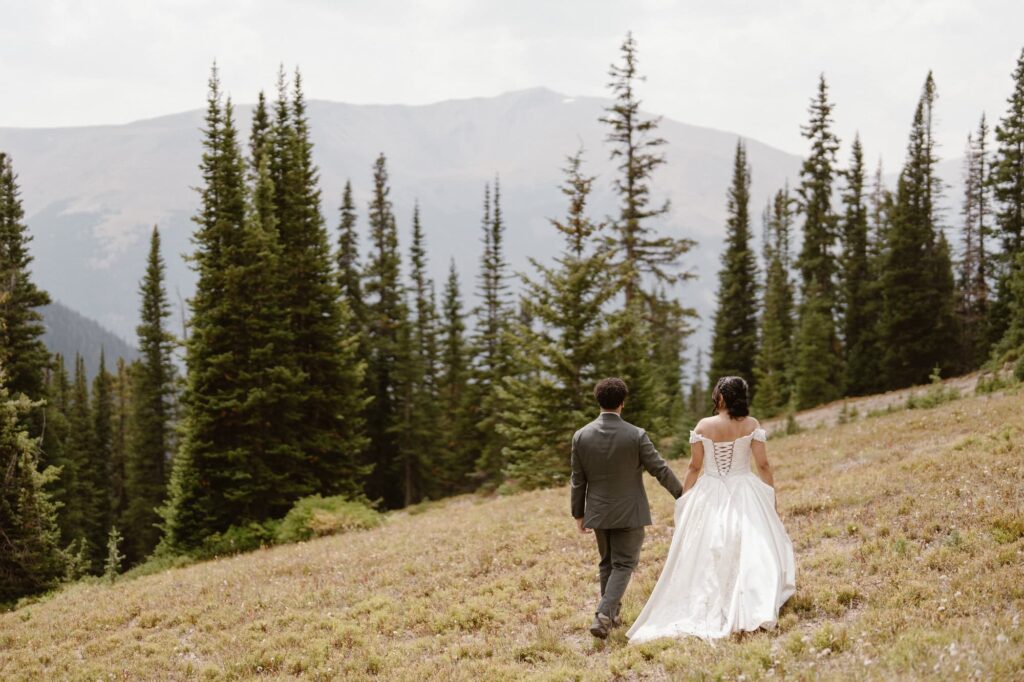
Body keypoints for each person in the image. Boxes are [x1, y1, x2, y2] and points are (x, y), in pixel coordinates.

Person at [626, 375, 796, 643]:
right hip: (745, 488)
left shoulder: (704, 425)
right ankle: (751, 595)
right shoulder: (751, 424)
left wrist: (684, 497)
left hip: (711, 489)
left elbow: (695, 466)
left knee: (709, 545)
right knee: (751, 543)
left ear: (722, 397)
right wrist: (770, 494)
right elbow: (763, 465)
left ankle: (717, 596)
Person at [570, 377, 683, 639]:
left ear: (599, 402)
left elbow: (578, 480)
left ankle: (612, 615)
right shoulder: (636, 435)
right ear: (622, 403)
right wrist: (682, 494)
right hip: (630, 512)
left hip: (597, 512)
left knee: (607, 563)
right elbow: (660, 469)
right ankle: (604, 614)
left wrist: (578, 513)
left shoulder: (581, 436)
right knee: (623, 564)